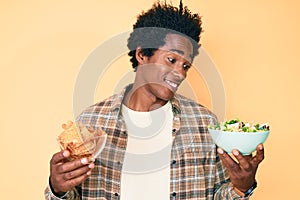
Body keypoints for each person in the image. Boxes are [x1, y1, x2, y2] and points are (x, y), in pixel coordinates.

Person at [45, 1, 264, 199]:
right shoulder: (92, 121)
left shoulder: (204, 123)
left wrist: (241, 187)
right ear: (141, 54)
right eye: (171, 60)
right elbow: (72, 193)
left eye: (185, 65)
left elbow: (220, 194)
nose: (180, 73)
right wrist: (58, 189)